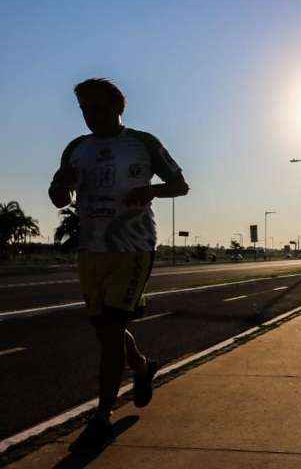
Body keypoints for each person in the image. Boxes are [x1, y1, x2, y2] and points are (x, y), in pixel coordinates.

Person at [48, 78, 189, 452]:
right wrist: (59, 187)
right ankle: (142, 368)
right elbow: (58, 199)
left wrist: (150, 190)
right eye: (83, 109)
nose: (90, 116)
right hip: (91, 249)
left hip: (133, 247)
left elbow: (180, 184)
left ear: (117, 107)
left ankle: (101, 418)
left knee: (111, 329)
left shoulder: (144, 143)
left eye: (97, 108)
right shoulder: (77, 149)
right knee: (104, 332)